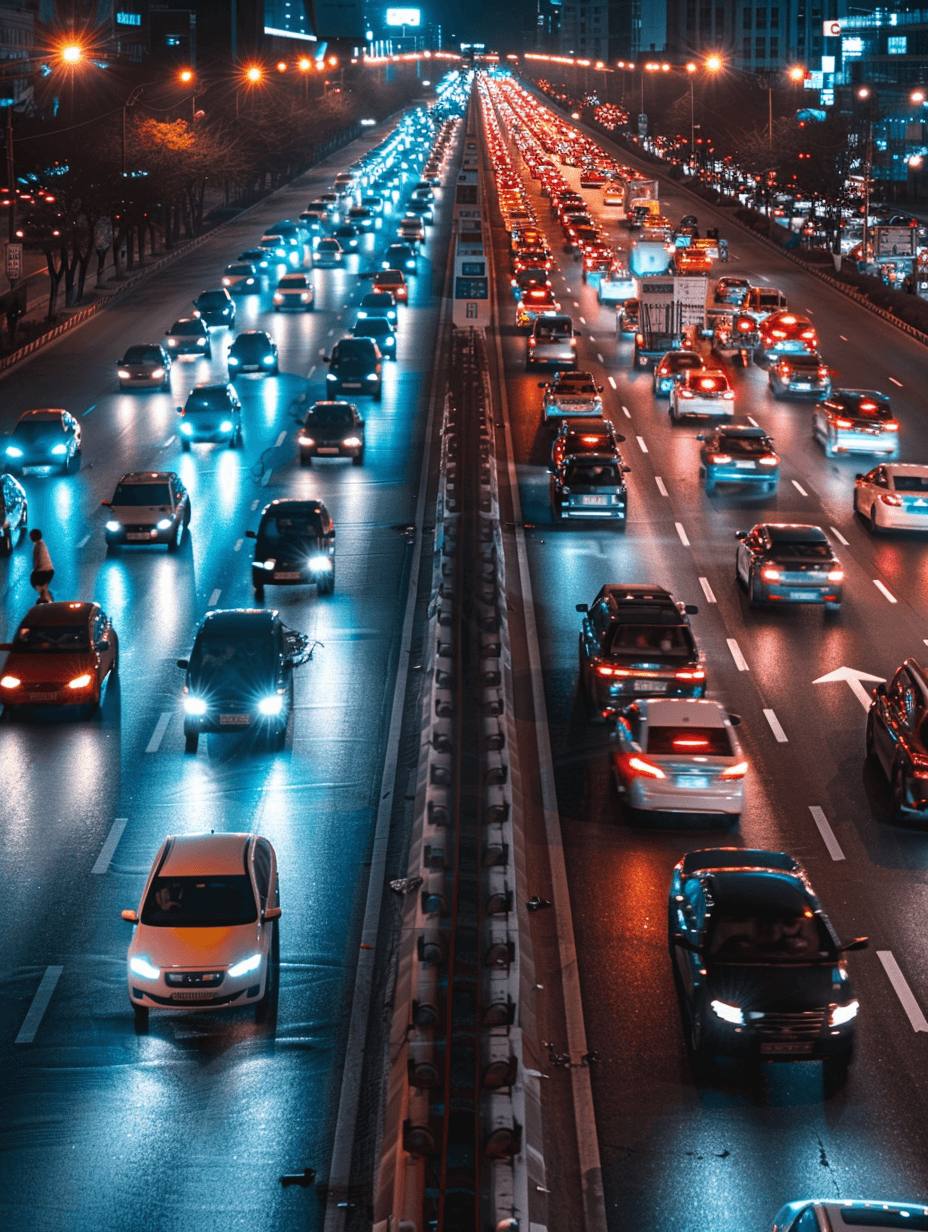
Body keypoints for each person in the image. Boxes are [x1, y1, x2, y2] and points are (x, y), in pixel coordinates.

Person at [29, 528, 54, 604]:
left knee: (34, 581)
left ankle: (47, 600)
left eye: (32, 536)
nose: (30, 537)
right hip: (47, 570)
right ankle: (45, 597)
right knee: (43, 587)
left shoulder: (38, 545)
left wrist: (35, 569)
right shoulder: (40, 544)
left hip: (44, 570)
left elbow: (39, 558)